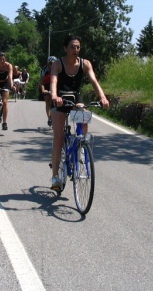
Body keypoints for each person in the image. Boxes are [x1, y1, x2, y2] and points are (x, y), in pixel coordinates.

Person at [49, 35, 109, 190]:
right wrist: (54, 96)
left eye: (78, 47)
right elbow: (54, 81)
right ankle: (55, 177)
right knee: (59, 138)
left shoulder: (85, 63)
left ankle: (81, 146)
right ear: (65, 48)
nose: (75, 49)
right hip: (60, 99)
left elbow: (94, 81)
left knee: (84, 114)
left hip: (76, 97)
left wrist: (102, 97)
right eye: (72, 47)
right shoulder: (57, 64)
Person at [38, 56, 57, 126]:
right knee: (47, 101)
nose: (52, 65)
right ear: (48, 63)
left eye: (54, 63)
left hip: (55, 85)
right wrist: (43, 90)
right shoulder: (45, 69)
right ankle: (49, 118)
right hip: (47, 85)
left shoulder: (58, 68)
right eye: (51, 63)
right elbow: (41, 81)